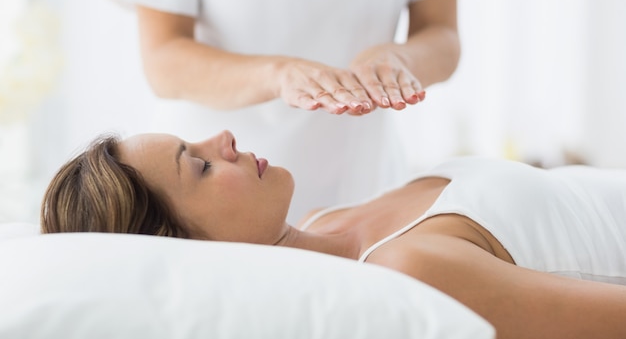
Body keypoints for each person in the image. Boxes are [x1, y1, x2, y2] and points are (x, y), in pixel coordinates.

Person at [41, 130, 626, 339]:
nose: (222, 137)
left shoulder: (324, 222)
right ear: (193, 252)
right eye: (199, 165)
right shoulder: (411, 276)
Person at [105, 0, 481, 222]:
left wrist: (398, 62)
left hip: (365, 175)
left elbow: (442, 34)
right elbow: (163, 58)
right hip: (212, 202)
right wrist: (278, 75)